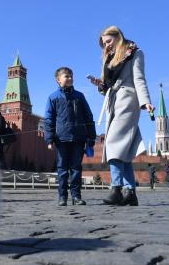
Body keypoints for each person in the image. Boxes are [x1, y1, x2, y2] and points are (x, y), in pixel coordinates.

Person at [89, 26, 155, 206]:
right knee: (123, 149)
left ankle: (116, 189)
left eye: (109, 41)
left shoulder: (134, 53)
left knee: (113, 143)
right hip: (113, 101)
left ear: (118, 36)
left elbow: (139, 79)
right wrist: (100, 84)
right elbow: (107, 86)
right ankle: (130, 192)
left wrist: (145, 101)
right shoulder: (109, 58)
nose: (107, 46)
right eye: (104, 44)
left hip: (128, 100)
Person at [44, 67, 96, 206]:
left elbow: (88, 116)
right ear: (58, 79)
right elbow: (49, 119)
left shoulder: (79, 96)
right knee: (62, 169)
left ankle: (76, 196)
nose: (70, 78)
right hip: (61, 139)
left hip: (78, 138)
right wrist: (49, 139)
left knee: (76, 168)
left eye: (71, 76)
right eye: (66, 76)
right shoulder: (53, 97)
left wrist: (91, 137)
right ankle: (62, 197)